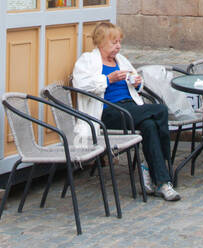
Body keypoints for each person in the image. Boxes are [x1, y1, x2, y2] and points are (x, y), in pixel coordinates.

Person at [70, 21, 181, 201]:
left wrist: (137, 84)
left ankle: (162, 182)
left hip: (130, 108)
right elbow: (81, 85)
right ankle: (163, 165)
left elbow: (136, 83)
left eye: (119, 42)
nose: (118, 46)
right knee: (160, 110)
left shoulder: (121, 60)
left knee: (150, 125)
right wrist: (108, 79)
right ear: (100, 41)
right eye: (114, 42)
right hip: (106, 113)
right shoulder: (87, 61)